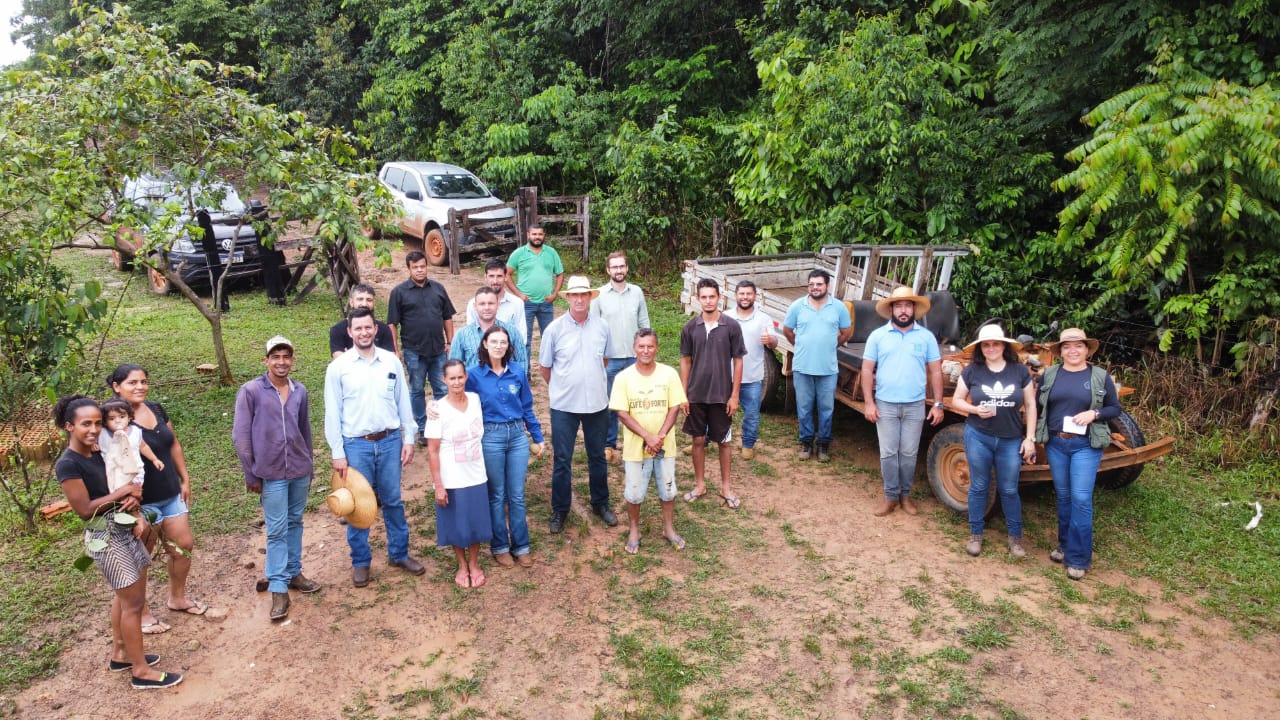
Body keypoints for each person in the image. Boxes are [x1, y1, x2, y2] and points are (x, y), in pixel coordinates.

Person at [53, 395, 183, 690]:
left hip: (124, 528)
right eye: (86, 424)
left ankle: (121, 653)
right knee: (134, 603)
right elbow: (85, 509)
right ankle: (141, 672)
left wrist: (133, 496)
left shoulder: (97, 452)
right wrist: (123, 491)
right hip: (105, 535)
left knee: (124, 598)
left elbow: (120, 476)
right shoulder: (69, 464)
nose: (94, 429)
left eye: (98, 423)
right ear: (68, 426)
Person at [324, 308, 427, 587]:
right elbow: (332, 413)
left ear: (375, 328)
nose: (364, 333)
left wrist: (409, 438)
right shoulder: (338, 368)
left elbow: (404, 401)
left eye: (368, 327)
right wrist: (337, 452)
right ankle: (361, 562)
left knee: (393, 501)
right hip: (356, 446)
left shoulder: (391, 362)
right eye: (358, 329)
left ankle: (399, 553)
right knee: (357, 507)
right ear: (349, 332)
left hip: (391, 441)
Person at [108, 364, 204, 633]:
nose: (140, 386)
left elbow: (173, 443)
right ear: (117, 386)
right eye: (132, 382)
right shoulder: (112, 418)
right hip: (140, 502)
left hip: (170, 492)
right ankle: (141, 612)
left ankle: (178, 597)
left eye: (143, 381)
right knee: (142, 557)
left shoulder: (156, 408)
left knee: (182, 546)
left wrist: (184, 477)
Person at [233, 336, 319, 622]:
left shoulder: (299, 391)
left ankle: (294, 572)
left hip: (298, 469)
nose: (281, 362)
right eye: (275, 357)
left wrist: (310, 463)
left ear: (292, 360)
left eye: (286, 357)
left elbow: (304, 428)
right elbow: (241, 435)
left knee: (295, 521)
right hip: (270, 472)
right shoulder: (252, 391)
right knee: (277, 528)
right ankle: (278, 587)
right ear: (266, 361)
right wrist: (251, 472)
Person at [1035, 328, 1121, 581]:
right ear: (1060, 351)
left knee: (1081, 498)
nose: (1072, 351)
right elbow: (1040, 405)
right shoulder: (1049, 374)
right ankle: (1064, 545)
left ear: (1086, 350)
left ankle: (1079, 558)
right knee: (1063, 496)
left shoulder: (1099, 376)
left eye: (1078, 346)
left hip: (1085, 444)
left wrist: (1094, 414)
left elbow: (1114, 408)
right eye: (1067, 347)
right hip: (1056, 444)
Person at [948, 324, 1037, 558]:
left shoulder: (1019, 371)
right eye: (986, 345)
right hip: (979, 436)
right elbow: (956, 400)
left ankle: (1015, 538)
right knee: (978, 486)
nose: (991, 348)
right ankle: (976, 534)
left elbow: (1030, 405)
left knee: (1009, 489)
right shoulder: (972, 371)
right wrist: (974, 409)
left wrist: (1030, 438)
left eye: (995, 344)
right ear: (980, 348)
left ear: (1004, 346)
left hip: (1010, 439)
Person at [539, 275, 617, 533]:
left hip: (596, 403)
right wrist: (565, 386)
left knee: (597, 456)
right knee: (562, 458)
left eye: (585, 295)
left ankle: (600, 503)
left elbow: (605, 360)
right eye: (575, 295)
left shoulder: (603, 327)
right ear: (569, 298)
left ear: (590, 298)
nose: (580, 299)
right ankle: (560, 510)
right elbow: (545, 367)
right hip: (564, 406)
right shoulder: (554, 329)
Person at [860, 287, 945, 517]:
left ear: (914, 309)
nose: (904, 310)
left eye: (908, 305)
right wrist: (869, 402)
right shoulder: (878, 336)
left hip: (915, 405)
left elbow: (936, 372)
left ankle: (905, 496)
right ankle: (890, 497)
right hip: (885, 404)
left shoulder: (926, 337)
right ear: (891, 309)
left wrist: (938, 403)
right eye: (899, 306)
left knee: (908, 453)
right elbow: (867, 370)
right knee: (888, 453)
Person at [466, 325, 545, 568]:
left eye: (503, 342)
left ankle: (521, 546)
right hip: (491, 436)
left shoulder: (518, 372)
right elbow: (463, 405)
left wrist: (537, 436)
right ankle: (499, 546)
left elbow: (527, 407)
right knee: (497, 494)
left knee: (517, 495)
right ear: (485, 345)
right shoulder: (473, 375)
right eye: (494, 341)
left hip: (517, 436)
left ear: (509, 346)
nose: (499, 346)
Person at [611, 329, 687, 555]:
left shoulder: (669, 374)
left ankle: (668, 528)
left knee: (668, 489)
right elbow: (622, 414)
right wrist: (648, 437)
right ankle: (634, 529)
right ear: (634, 348)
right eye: (641, 346)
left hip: (665, 446)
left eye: (650, 346)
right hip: (636, 448)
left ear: (657, 348)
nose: (646, 351)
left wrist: (659, 437)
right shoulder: (623, 378)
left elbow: (675, 407)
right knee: (634, 492)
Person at [425, 360, 494, 589]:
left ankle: (474, 563)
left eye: (460, 377)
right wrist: (439, 485)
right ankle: (462, 565)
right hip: (452, 477)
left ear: (466, 377)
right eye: (451, 378)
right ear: (444, 380)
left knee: (475, 523)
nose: (456, 382)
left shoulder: (475, 400)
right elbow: (433, 451)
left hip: (476, 474)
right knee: (455, 524)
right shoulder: (437, 410)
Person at [680, 278, 746, 509]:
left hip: (721, 395)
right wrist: (683, 394)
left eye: (712, 296)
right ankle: (700, 484)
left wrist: (734, 395)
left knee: (724, 442)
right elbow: (685, 361)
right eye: (704, 297)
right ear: (698, 299)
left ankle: (726, 487)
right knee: (698, 440)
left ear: (719, 298)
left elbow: (738, 362)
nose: (708, 301)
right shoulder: (690, 328)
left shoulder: (731, 326)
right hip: (696, 395)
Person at [387, 250, 457, 444]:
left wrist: (450, 342)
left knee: (442, 388)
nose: (419, 270)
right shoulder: (399, 292)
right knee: (417, 389)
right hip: (414, 351)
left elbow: (447, 316)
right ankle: (423, 428)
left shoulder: (438, 288)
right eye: (415, 267)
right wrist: (396, 349)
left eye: (422, 266)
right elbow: (392, 323)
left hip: (438, 350)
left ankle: (442, 426)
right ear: (409, 269)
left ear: (427, 266)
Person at [783, 270, 852, 462]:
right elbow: (787, 330)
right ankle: (806, 443)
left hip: (828, 369)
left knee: (826, 408)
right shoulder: (798, 306)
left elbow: (846, 332)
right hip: (802, 367)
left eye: (819, 284)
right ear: (808, 286)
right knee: (804, 407)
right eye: (812, 284)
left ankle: (823, 445)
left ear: (827, 286)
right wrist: (801, 344)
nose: (815, 287)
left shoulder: (838, 307)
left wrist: (831, 345)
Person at [590, 250, 651, 463]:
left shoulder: (637, 292)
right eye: (614, 267)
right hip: (610, 360)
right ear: (608, 270)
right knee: (610, 405)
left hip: (635, 359)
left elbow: (644, 322)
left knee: (638, 403)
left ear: (627, 268)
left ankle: (638, 442)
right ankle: (609, 444)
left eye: (621, 266)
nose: (618, 270)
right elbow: (593, 328)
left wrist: (646, 351)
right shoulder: (598, 295)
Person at [731, 281, 777, 460]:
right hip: (727, 376)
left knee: (751, 414)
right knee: (716, 411)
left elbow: (773, 342)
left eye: (749, 294)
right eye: (741, 293)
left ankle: (748, 445)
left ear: (755, 296)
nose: (745, 297)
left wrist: (770, 340)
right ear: (736, 295)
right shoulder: (725, 317)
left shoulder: (763, 319)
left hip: (752, 377)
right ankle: (705, 441)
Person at [506, 224, 564, 364]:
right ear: (528, 235)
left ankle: (550, 368)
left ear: (544, 236)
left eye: (540, 234)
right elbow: (506, 274)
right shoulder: (519, 253)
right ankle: (525, 373)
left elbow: (560, 273)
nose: (537, 237)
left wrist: (555, 294)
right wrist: (519, 295)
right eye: (534, 234)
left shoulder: (551, 253)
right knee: (525, 339)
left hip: (546, 303)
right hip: (526, 303)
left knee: (549, 338)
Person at [450, 286, 528, 368]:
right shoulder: (462, 335)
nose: (486, 308)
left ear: (498, 305)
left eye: (491, 303)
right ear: (475, 306)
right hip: (474, 381)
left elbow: (521, 362)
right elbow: (454, 366)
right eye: (482, 304)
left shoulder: (512, 332)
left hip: (506, 380)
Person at [98, 398, 164, 492]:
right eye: (112, 418)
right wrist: (93, 445)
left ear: (129, 417)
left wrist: (154, 459)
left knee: (134, 495)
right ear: (105, 421)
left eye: (122, 417)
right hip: (113, 474)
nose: (117, 421)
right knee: (119, 497)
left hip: (135, 472)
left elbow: (143, 446)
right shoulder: (102, 434)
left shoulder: (135, 432)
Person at [330, 283, 397, 358]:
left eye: (369, 300)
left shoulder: (384, 329)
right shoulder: (337, 330)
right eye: (360, 299)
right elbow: (339, 360)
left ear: (374, 303)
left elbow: (390, 358)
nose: (364, 304)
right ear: (351, 302)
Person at [467, 258, 528, 341]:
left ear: (506, 277)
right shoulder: (473, 304)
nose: (495, 281)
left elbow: (521, 335)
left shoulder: (517, 303)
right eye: (491, 276)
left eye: (499, 276)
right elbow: (471, 334)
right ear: (485, 277)